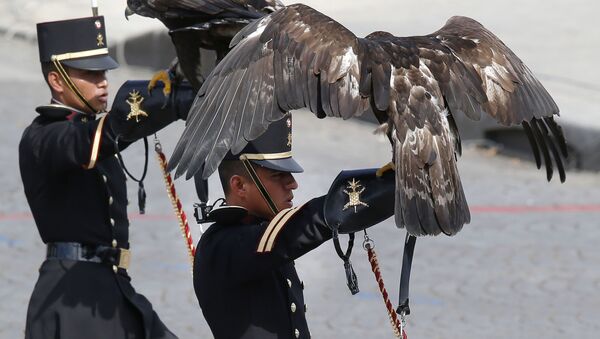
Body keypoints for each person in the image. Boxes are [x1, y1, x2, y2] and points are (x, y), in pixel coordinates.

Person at [19, 16, 195, 338]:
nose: (103, 81)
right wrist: (154, 106)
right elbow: (89, 141)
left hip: (112, 286)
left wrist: (178, 103)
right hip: (72, 297)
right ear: (58, 81)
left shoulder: (92, 131)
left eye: (103, 72)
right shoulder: (43, 137)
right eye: (90, 73)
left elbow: (109, 134)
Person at [193, 113, 397, 338]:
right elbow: (295, 231)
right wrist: (367, 194)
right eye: (278, 175)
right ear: (240, 185)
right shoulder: (221, 245)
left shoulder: (259, 230)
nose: (293, 183)